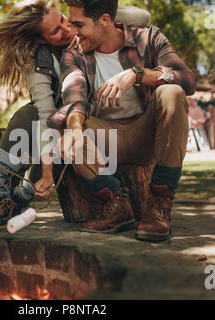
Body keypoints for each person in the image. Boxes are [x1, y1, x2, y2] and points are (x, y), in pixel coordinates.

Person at [0, 0, 151, 233]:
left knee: (59, 126)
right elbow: (46, 114)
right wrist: (46, 172)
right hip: (61, 127)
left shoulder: (86, 27)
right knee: (30, 114)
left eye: (64, 20)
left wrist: (95, 18)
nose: (66, 30)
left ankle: (19, 197)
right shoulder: (38, 63)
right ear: (40, 40)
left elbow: (143, 17)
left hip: (98, 118)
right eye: (55, 30)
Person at [51, 0, 196, 241]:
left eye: (78, 24)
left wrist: (138, 74)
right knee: (68, 123)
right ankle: (116, 205)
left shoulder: (147, 38)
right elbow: (74, 94)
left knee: (172, 92)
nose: (71, 32)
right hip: (105, 141)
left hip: (145, 135)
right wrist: (75, 129)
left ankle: (160, 204)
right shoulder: (73, 52)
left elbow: (188, 80)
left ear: (105, 20)